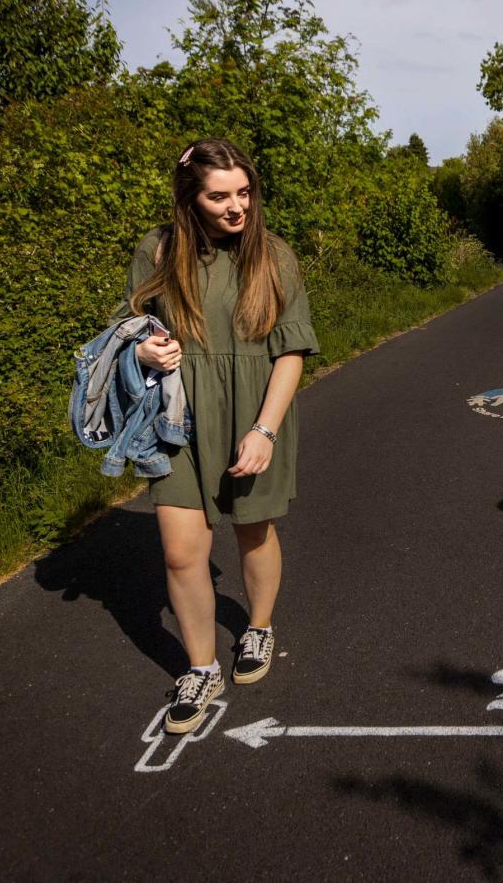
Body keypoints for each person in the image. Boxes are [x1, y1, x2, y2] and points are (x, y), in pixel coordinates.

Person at [111, 138, 320, 733]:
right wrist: (147, 347)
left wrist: (265, 431)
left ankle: (258, 627)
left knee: (254, 532)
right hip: (176, 417)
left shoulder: (273, 255)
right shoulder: (157, 249)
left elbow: (292, 352)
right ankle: (200, 668)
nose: (237, 208)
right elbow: (131, 327)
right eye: (220, 196)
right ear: (189, 198)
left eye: (245, 193)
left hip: (255, 412)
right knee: (181, 552)